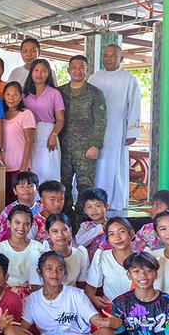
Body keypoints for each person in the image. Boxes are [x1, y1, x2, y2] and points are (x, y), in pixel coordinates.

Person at [89, 43, 142, 213]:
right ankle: (95, 202)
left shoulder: (129, 79)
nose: (109, 59)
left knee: (114, 165)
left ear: (121, 58)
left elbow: (135, 105)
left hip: (117, 127)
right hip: (96, 128)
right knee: (97, 165)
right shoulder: (94, 78)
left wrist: (132, 131)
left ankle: (114, 201)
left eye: (113, 56)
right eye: (106, 55)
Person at [59, 55, 107, 217]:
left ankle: (84, 220)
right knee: (62, 185)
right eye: (74, 67)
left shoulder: (95, 93)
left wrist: (95, 145)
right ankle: (64, 220)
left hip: (86, 149)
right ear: (68, 70)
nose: (78, 71)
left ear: (87, 70)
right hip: (63, 148)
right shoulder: (60, 92)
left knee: (85, 186)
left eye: (82, 67)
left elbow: (100, 122)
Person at [21, 59, 65, 187]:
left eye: (43, 71)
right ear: (31, 73)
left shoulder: (54, 93)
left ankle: (49, 203)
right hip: (28, 134)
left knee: (48, 169)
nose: (39, 74)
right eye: (36, 70)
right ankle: (33, 203)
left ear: (48, 73)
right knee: (32, 169)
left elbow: (60, 119)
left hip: (48, 133)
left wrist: (53, 135)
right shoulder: (24, 94)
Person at [84, 217, 136, 310]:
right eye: (111, 234)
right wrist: (93, 298)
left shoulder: (143, 259)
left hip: (139, 310)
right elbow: (90, 290)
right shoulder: (102, 257)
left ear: (132, 234)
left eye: (121, 232)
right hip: (111, 310)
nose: (117, 237)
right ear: (108, 240)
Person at [0, 205, 45, 290]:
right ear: (9, 223)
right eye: (17, 222)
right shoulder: (0, 249)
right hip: (7, 296)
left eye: (26, 224)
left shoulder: (38, 248)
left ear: (31, 226)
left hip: (33, 295)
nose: (21, 227)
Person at [34, 213, 88, 288]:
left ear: (70, 230)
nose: (60, 235)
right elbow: (37, 285)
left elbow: (82, 284)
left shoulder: (80, 254)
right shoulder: (41, 254)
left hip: (72, 296)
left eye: (64, 230)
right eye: (55, 231)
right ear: (48, 234)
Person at [1, 82, 36, 188]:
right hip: (2, 165)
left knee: (19, 198)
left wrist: (24, 165)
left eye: (15, 95)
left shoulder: (26, 114)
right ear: (3, 96)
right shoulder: (0, 114)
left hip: (19, 165)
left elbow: (29, 141)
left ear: (21, 97)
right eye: (8, 94)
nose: (11, 98)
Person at [0, 171, 46, 242]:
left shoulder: (43, 209)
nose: (26, 189)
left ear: (37, 189)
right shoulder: (7, 212)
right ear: (15, 191)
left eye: (30, 186)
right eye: (21, 186)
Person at [75, 187, 112, 258]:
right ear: (85, 210)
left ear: (106, 207)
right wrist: (98, 229)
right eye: (89, 207)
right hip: (92, 264)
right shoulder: (85, 226)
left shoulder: (113, 224)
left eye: (98, 206)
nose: (94, 210)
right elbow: (80, 242)